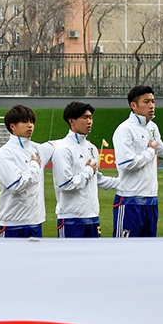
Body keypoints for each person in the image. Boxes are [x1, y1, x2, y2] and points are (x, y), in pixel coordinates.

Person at [112, 85, 163, 237]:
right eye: (146, 101)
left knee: (147, 251)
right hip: (130, 199)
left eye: (153, 101)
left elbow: (162, 148)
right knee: (124, 251)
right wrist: (150, 151)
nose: (151, 105)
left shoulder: (152, 127)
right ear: (133, 105)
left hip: (151, 199)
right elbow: (127, 164)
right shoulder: (124, 130)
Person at [52, 101, 118, 237]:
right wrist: (88, 171)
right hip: (71, 218)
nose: (89, 121)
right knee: (71, 258)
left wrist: (124, 183)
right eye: (84, 117)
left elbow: (96, 178)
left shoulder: (92, 148)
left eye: (90, 117)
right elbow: (65, 184)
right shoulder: (63, 150)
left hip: (93, 216)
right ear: (72, 121)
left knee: (94, 258)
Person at [0, 104, 55, 238]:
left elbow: (58, 145)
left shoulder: (37, 148)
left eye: (32, 122)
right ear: (12, 126)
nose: (30, 125)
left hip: (36, 222)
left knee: (36, 259)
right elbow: (15, 185)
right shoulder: (4, 153)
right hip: (12, 224)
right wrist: (33, 167)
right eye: (25, 122)